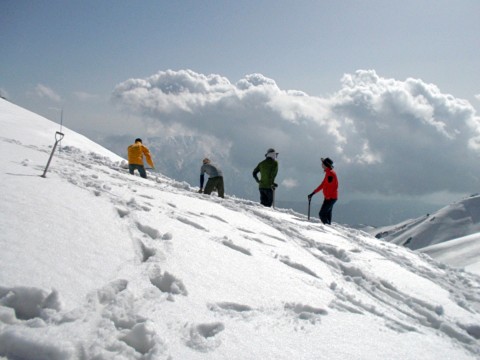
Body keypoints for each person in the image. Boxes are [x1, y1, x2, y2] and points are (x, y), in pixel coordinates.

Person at [308, 157, 338, 225]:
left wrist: (329, 197)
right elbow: (323, 185)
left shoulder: (330, 174)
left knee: (322, 214)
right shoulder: (328, 173)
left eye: (322, 163)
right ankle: (329, 228)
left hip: (330, 198)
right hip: (330, 198)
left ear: (325, 164)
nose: (321, 164)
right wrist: (313, 193)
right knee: (327, 214)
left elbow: (333, 186)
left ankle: (328, 229)